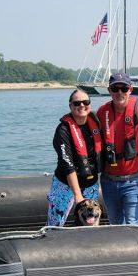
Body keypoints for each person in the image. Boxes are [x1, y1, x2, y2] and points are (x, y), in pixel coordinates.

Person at [97, 72, 138, 225]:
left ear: (130, 90)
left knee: (133, 223)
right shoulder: (102, 112)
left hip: (133, 181)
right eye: (115, 88)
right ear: (109, 91)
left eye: (124, 88)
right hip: (108, 181)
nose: (119, 92)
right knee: (115, 224)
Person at [47, 89, 102, 226]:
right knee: (55, 225)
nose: (82, 105)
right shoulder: (63, 130)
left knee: (90, 224)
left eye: (85, 102)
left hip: (90, 184)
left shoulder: (95, 124)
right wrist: (77, 195)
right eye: (77, 103)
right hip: (65, 184)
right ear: (70, 106)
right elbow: (67, 164)